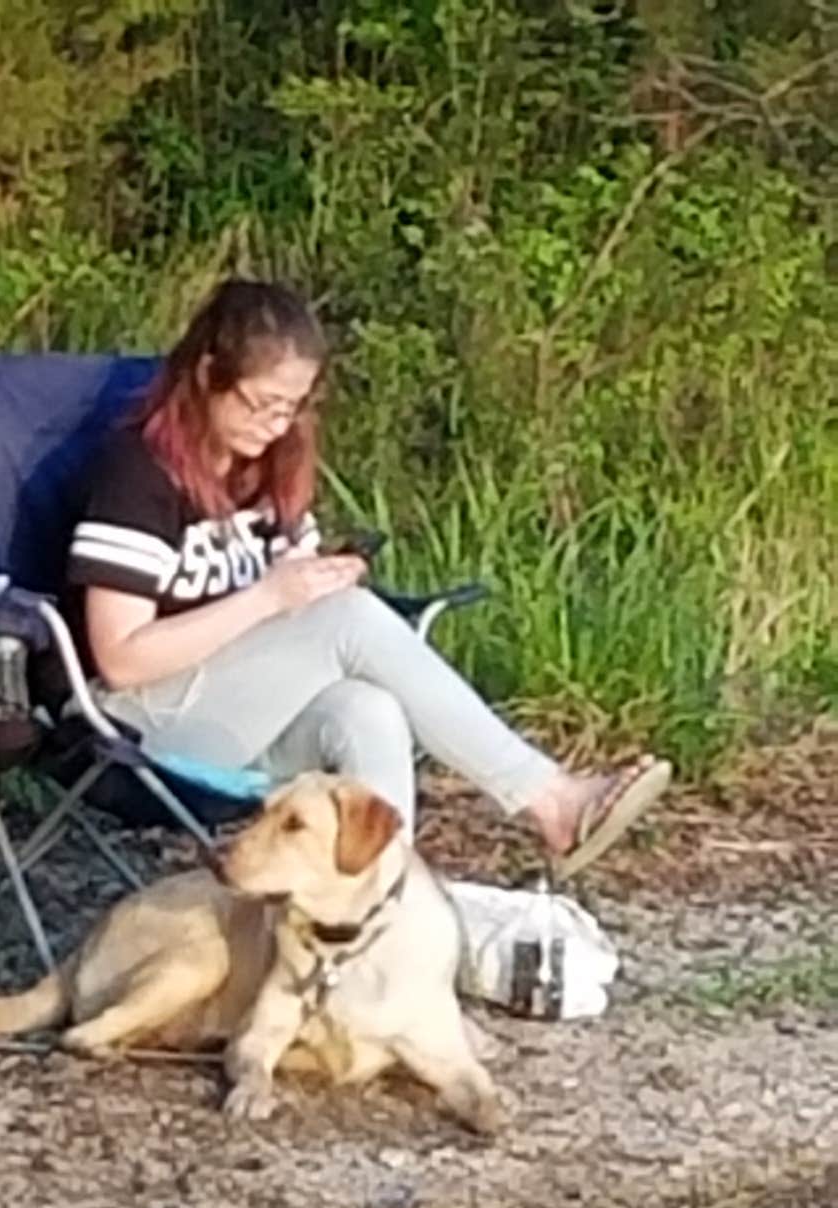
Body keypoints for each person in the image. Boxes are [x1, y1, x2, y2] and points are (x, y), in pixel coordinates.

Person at [66, 278, 671, 872]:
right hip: (136, 722)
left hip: (236, 713)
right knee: (347, 620)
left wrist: (318, 580)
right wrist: (271, 597)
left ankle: (384, 919)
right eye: (261, 403)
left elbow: (288, 608)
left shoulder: (263, 468)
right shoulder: (138, 473)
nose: (276, 425)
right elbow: (122, 659)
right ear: (206, 376)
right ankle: (552, 799)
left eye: (292, 407)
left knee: (366, 708)